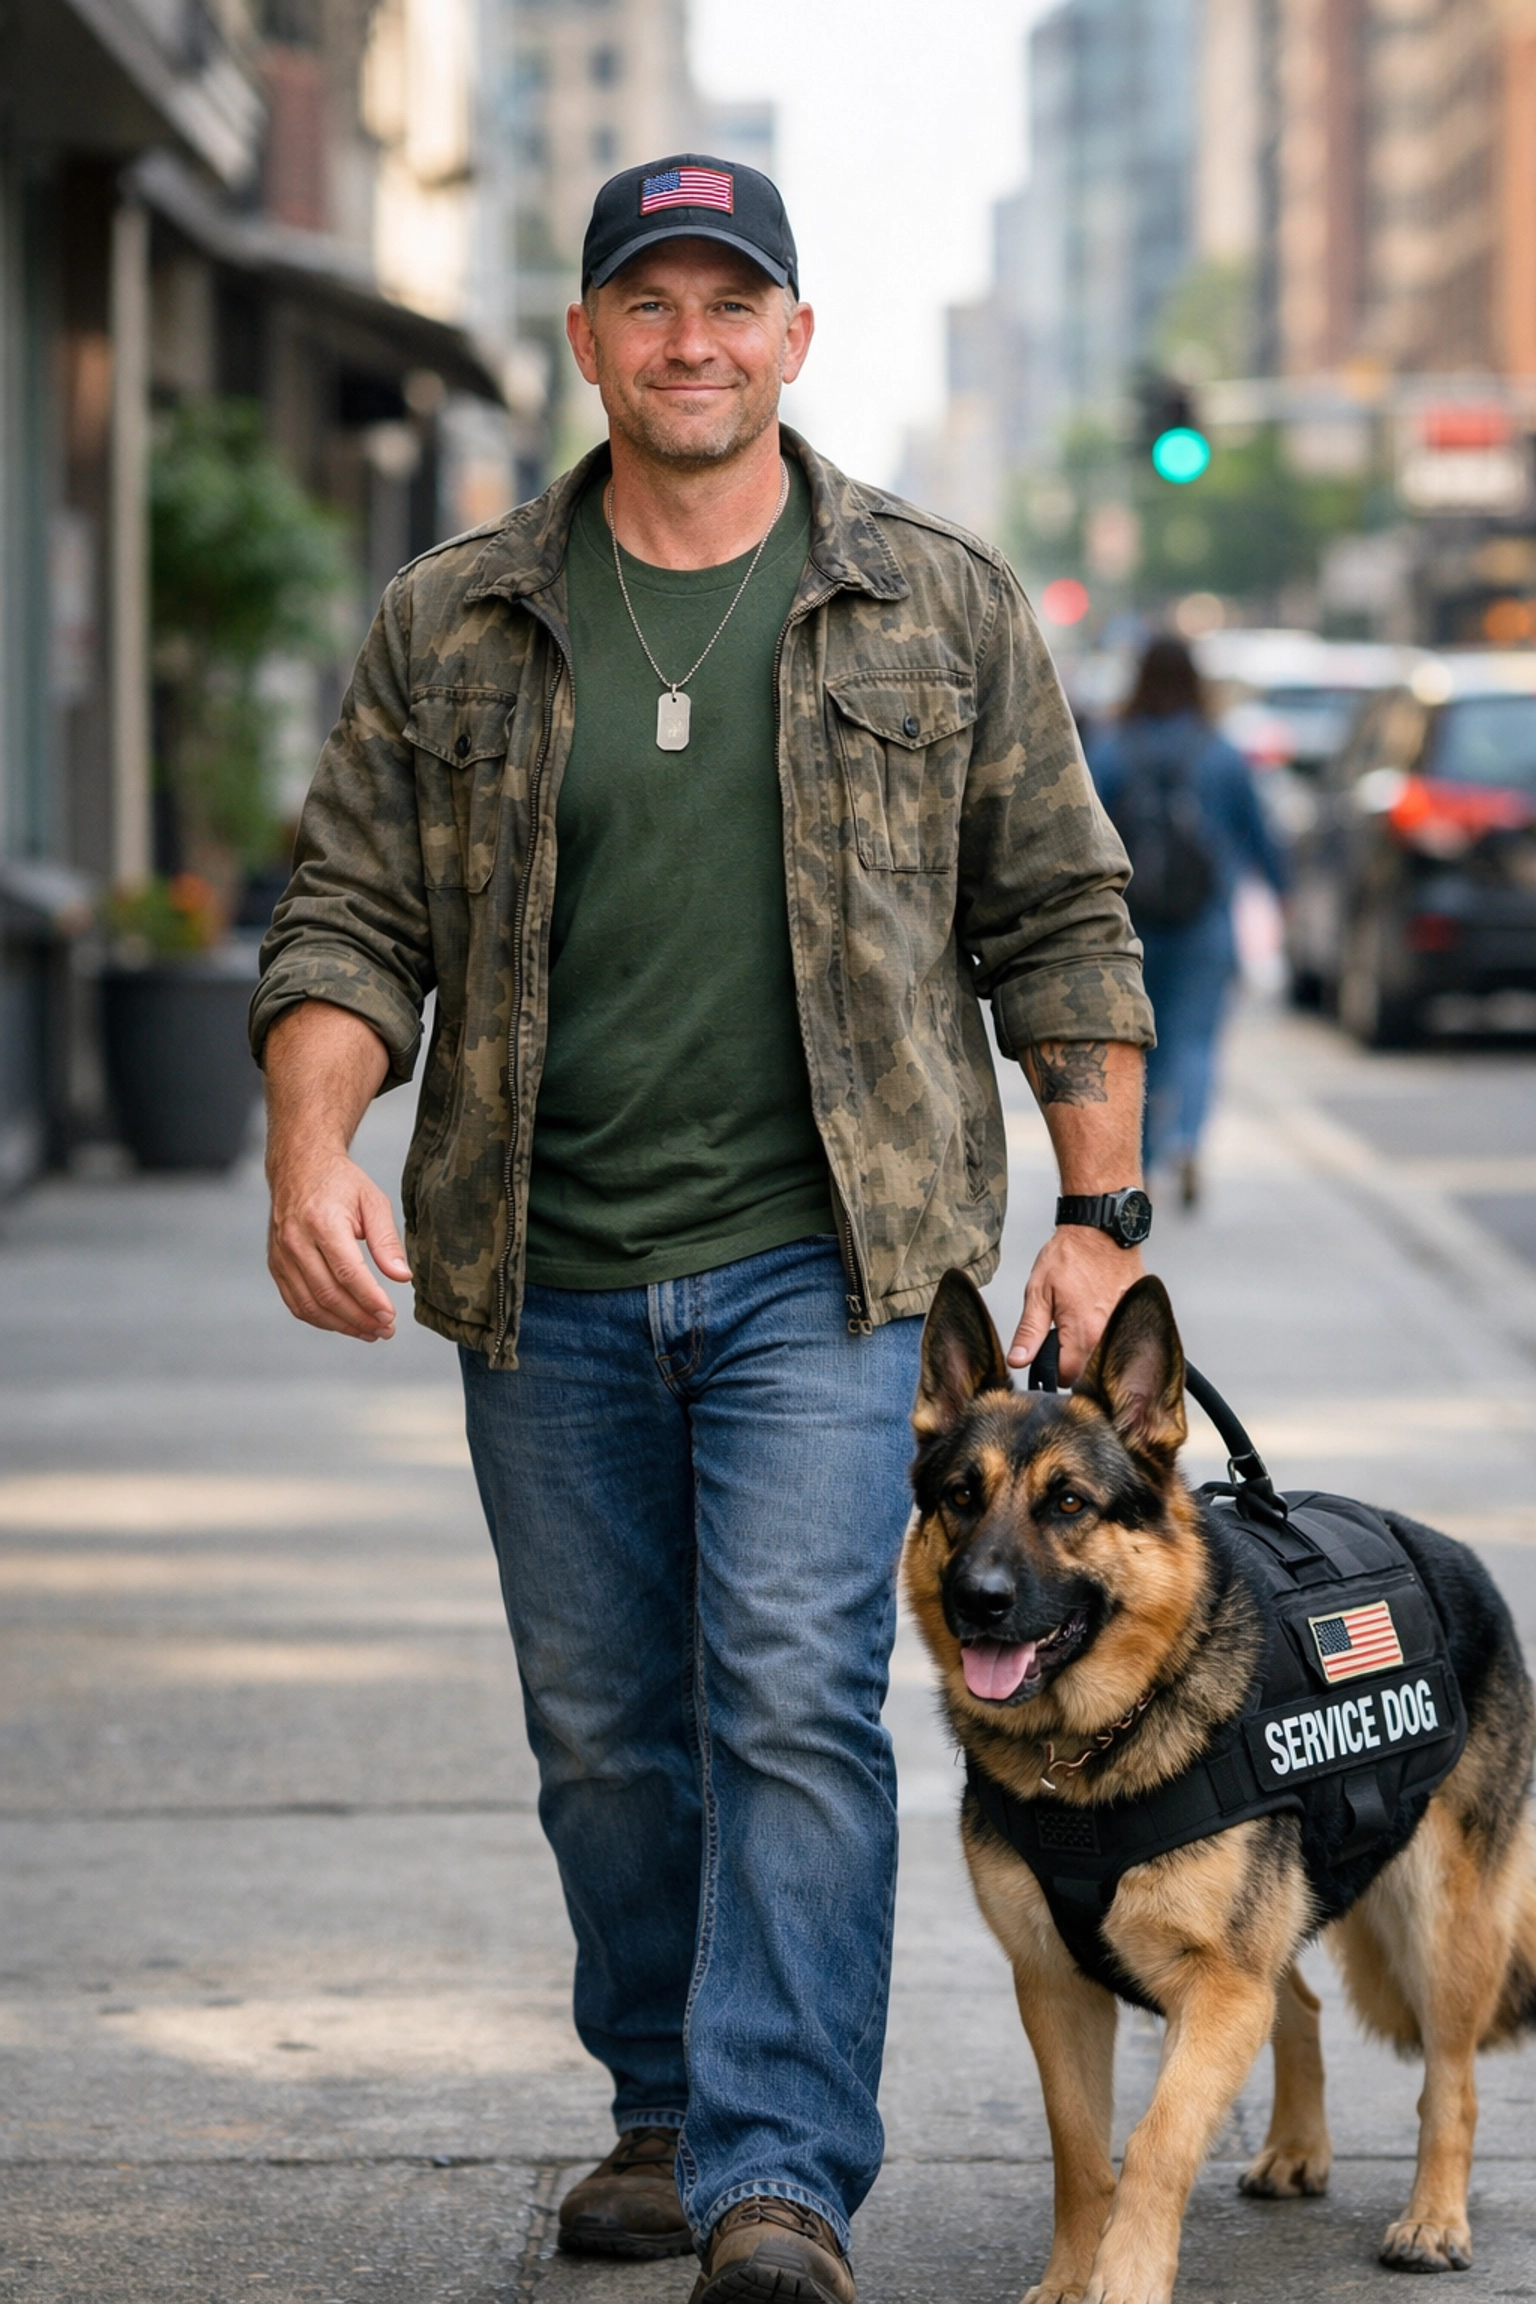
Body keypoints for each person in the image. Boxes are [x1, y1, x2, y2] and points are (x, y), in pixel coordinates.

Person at [251, 153, 1153, 2304]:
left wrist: (1100, 1212)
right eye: (646, 303)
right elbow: (350, 920)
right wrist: (310, 1151)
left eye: (729, 300)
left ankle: (775, 2176)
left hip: (837, 1273)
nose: (690, 337)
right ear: (586, 343)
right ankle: (659, 2104)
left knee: (793, 1695)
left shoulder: (938, 600)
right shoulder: (453, 615)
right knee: (606, 1727)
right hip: (533, 1265)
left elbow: (1065, 917)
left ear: (794, 337)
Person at [1088, 635, 1284, 1210]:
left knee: (1137, 1048)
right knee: (1196, 1040)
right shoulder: (1221, 752)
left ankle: (1141, 1166)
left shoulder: (1113, 748)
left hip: (1130, 925)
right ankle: (1190, 1141)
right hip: (1205, 921)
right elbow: (1259, 836)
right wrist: (1282, 891)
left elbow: (1082, 833)